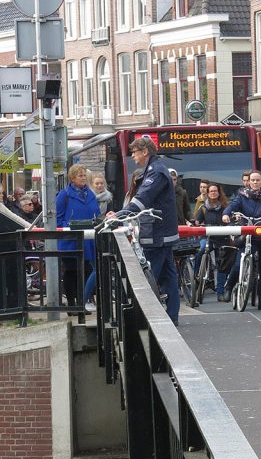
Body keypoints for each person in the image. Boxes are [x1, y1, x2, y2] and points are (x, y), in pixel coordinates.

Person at [108, 136, 181, 324]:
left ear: (145, 152)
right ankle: (172, 315)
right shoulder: (155, 169)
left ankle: (142, 318)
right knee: (168, 273)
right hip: (162, 231)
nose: (133, 156)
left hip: (157, 232)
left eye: (134, 152)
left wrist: (119, 215)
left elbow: (142, 199)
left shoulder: (155, 172)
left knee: (149, 274)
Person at [222, 170, 261, 311]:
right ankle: (229, 286)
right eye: (253, 180)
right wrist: (225, 214)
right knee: (238, 264)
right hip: (249, 236)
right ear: (249, 182)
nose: (255, 183)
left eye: (257, 180)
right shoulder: (242, 196)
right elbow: (232, 206)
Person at [56, 164, 102, 311]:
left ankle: (83, 301)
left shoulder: (90, 193)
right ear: (72, 178)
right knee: (71, 271)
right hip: (70, 240)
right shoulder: (64, 195)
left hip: (88, 239)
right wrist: (71, 226)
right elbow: (58, 219)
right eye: (80, 176)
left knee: (87, 270)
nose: (83, 178)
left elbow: (95, 213)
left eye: (84, 175)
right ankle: (72, 304)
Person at [195, 182, 230, 301]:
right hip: (207, 237)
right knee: (201, 251)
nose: (213, 193)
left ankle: (220, 293)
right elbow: (197, 222)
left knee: (222, 265)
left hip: (222, 238)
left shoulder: (226, 207)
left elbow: (231, 221)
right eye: (211, 191)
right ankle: (196, 276)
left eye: (215, 191)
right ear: (208, 193)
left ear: (219, 193)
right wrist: (197, 225)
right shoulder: (203, 208)